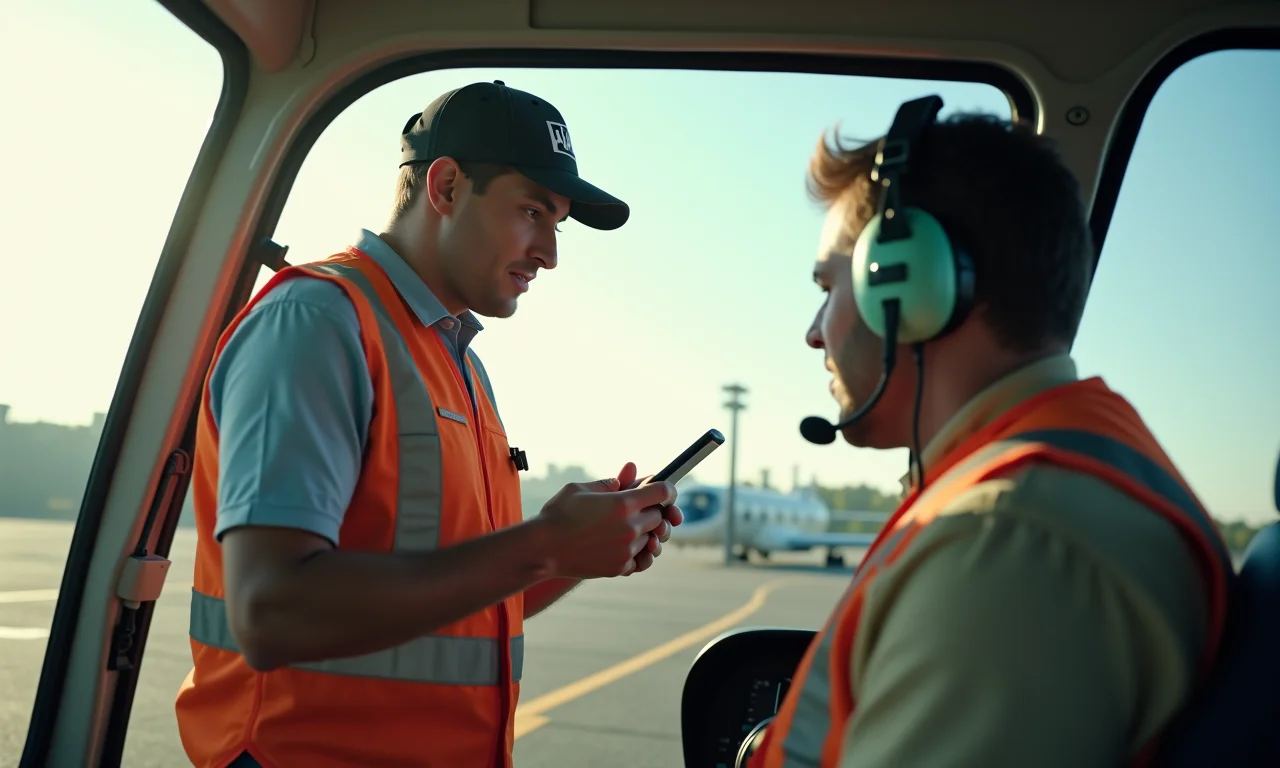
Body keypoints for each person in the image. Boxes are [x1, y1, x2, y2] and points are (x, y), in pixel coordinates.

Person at [174, 80, 683, 768]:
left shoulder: (456, 362)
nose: (549, 253)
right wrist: (543, 545)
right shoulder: (319, 323)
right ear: (445, 187)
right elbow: (272, 612)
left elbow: (462, 602)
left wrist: (576, 554)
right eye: (532, 212)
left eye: (556, 225)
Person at [749, 98, 1234, 767]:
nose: (813, 332)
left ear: (909, 287)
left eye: (828, 288)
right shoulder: (1036, 488)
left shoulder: (1013, 542)